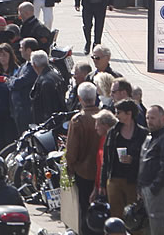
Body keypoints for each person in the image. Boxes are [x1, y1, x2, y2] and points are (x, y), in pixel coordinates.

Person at [97, 99, 146, 217]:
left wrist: (132, 160)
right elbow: (106, 159)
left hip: (133, 181)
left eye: (119, 112)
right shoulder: (113, 132)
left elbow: (146, 159)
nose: (116, 115)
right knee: (116, 215)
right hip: (114, 179)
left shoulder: (142, 133)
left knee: (133, 216)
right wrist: (103, 184)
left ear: (129, 114)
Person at [137, 105, 164, 235]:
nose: (149, 121)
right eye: (148, 118)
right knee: (148, 226)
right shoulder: (149, 137)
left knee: (159, 225)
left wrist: (155, 187)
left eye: (153, 118)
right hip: (144, 188)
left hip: (157, 190)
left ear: (163, 119)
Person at [65, 81, 102, 226]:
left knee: (85, 211)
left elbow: (71, 151)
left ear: (80, 99)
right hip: (101, 171)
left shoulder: (78, 120)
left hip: (83, 172)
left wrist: (70, 168)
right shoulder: (104, 117)